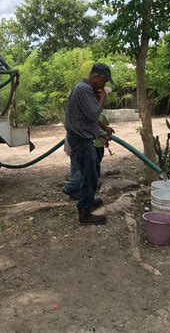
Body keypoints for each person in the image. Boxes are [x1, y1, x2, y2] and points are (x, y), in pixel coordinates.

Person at [64, 63, 114, 225]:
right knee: (90, 174)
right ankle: (84, 213)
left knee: (90, 172)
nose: (104, 86)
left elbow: (85, 120)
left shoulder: (83, 88)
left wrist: (101, 133)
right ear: (97, 77)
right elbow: (93, 115)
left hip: (82, 137)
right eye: (105, 81)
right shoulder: (84, 89)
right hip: (80, 139)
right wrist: (102, 99)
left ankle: (88, 199)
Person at [63, 110, 113, 199]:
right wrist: (103, 132)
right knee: (88, 168)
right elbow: (90, 127)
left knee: (84, 168)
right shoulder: (83, 113)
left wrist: (105, 133)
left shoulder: (94, 114)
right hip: (85, 144)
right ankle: (72, 188)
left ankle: (80, 194)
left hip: (83, 143)